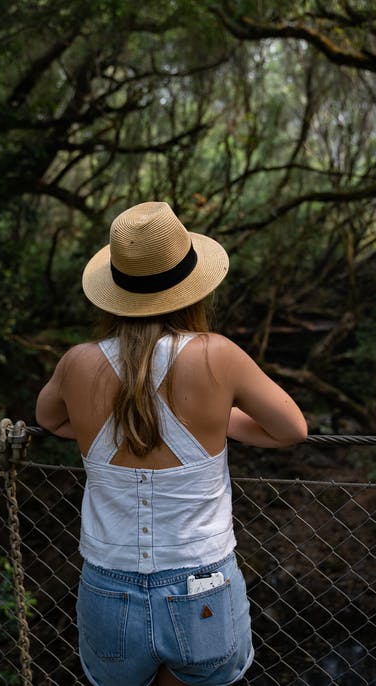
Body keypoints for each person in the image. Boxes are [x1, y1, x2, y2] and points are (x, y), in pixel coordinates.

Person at [36, 201, 307, 686]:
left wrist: (112, 427)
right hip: (201, 588)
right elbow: (290, 429)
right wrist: (214, 423)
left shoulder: (76, 363)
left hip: (107, 590)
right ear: (192, 290)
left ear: (114, 292)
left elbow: (50, 420)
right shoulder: (216, 356)